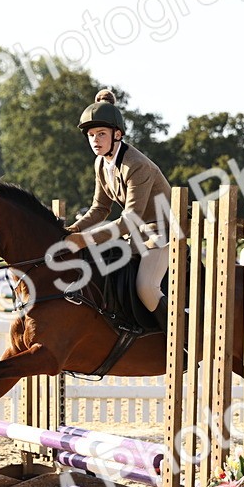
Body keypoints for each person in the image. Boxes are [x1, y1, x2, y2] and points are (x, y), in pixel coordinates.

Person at [65, 88, 172, 330]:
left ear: (118, 135)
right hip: (135, 236)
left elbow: (131, 218)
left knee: (146, 287)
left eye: (101, 134)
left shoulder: (138, 165)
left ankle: (183, 340)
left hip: (162, 234)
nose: (95, 140)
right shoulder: (101, 163)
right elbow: (99, 209)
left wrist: (84, 239)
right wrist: (69, 230)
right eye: (91, 135)